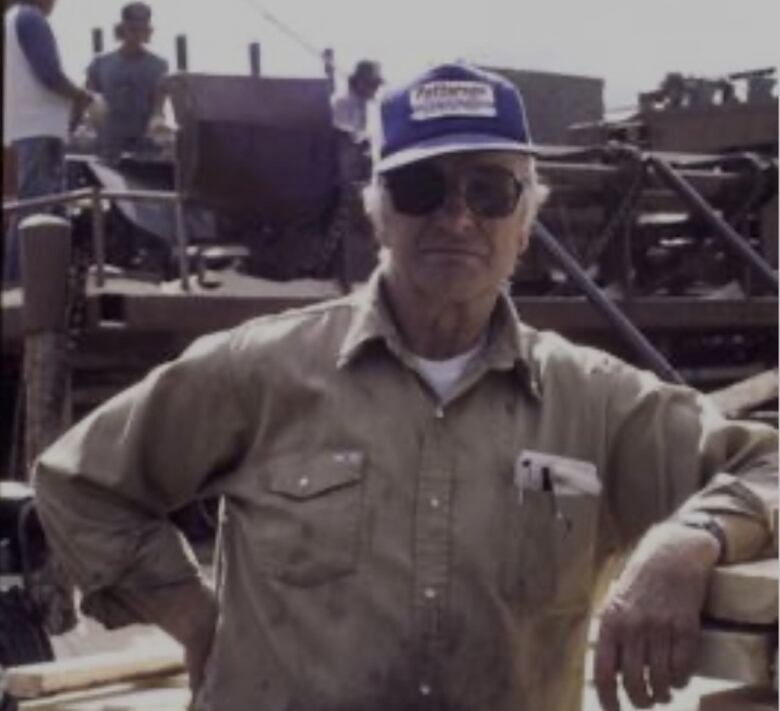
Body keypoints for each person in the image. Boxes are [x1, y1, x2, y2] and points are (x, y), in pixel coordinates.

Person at [34, 63, 777, 711]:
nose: (457, 216)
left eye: (490, 190)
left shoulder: (597, 401)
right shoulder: (257, 370)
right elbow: (78, 483)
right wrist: (195, 617)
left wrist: (687, 538)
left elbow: (768, 467)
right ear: (378, 210)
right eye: (421, 187)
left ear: (526, 222)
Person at [3, 0, 92, 283]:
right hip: (41, 128)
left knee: (32, 210)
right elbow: (49, 74)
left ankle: (19, 284)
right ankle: (27, 287)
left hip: (28, 128)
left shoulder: (13, 18)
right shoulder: (31, 18)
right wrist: (83, 96)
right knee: (40, 211)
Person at [85, 2, 168, 163]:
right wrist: (89, 117)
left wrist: (158, 122)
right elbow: (89, 98)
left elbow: (159, 106)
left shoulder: (158, 66)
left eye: (141, 29)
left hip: (143, 147)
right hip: (107, 146)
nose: (136, 35)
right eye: (132, 29)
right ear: (122, 30)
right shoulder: (101, 63)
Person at [332, 59, 384, 182]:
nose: (376, 89)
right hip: (345, 176)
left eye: (377, 84)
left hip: (363, 175)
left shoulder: (370, 105)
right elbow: (344, 138)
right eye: (373, 84)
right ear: (360, 82)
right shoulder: (342, 103)